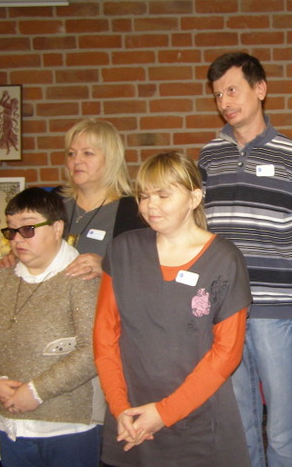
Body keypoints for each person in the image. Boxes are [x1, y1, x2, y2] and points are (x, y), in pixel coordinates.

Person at [198, 52, 292, 467]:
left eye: (233, 90)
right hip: (225, 311)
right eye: (218, 94)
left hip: (278, 310)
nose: (225, 102)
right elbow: (199, 231)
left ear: (260, 89)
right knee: (240, 422)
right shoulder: (208, 157)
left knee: (283, 426)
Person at [93, 152, 252, 467]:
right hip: (130, 417)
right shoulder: (123, 250)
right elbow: (104, 336)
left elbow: (227, 353)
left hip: (199, 421)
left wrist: (163, 413)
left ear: (194, 198)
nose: (150, 205)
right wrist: (120, 407)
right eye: (144, 196)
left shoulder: (225, 259)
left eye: (163, 195)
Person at [0, 187, 103, 467]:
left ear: (57, 228)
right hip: (10, 422)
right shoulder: (0, 279)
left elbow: (93, 350)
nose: (17, 239)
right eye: (11, 231)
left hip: (68, 426)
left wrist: (37, 391)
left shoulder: (82, 278)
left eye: (28, 229)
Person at [0, 119, 146, 279]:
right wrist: (15, 256)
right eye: (71, 153)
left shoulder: (133, 211)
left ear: (111, 159)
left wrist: (107, 267)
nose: (76, 160)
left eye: (87, 153)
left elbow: (144, 270)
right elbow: (26, 240)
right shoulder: (53, 200)